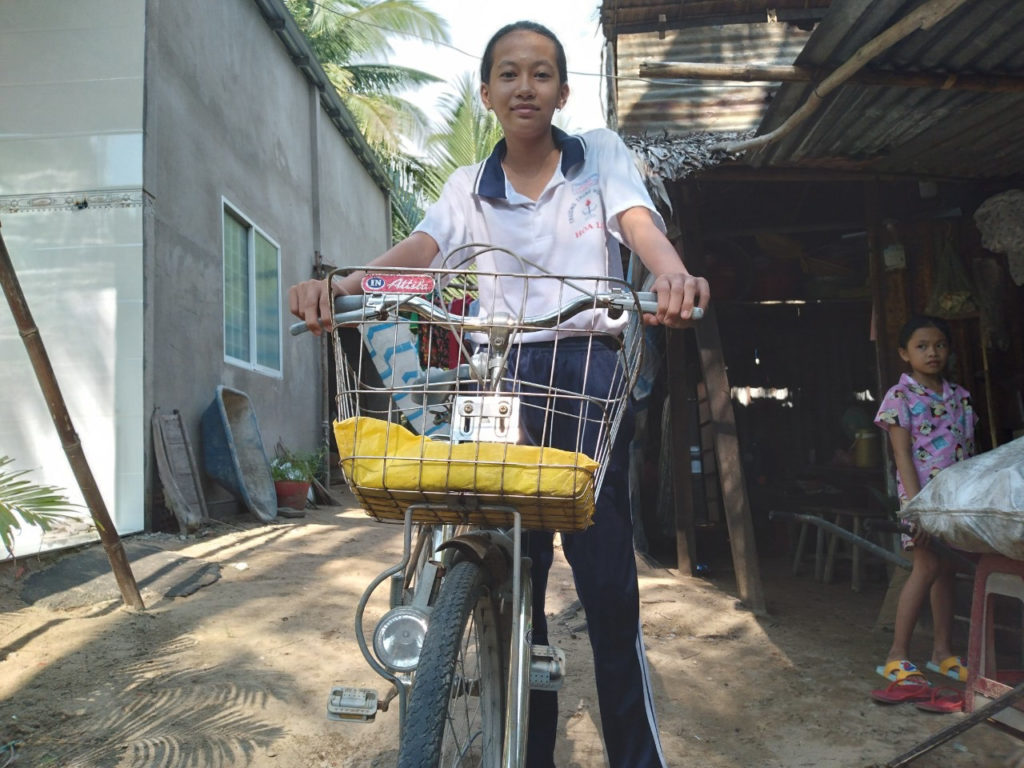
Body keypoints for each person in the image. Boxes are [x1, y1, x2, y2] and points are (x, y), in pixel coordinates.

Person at [290, 20, 708, 767]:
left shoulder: (599, 157)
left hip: (588, 370)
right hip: (503, 378)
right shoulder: (467, 188)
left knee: (606, 584)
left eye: (542, 73)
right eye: (509, 74)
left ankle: (637, 758)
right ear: (487, 92)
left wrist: (669, 271)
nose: (526, 86)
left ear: (562, 91)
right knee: (518, 568)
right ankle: (528, 750)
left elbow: (638, 225)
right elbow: (421, 255)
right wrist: (353, 284)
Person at [873, 315, 977, 694]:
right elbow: (901, 456)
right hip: (921, 500)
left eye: (939, 345)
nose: (932, 352)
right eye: (921, 346)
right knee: (926, 565)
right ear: (904, 353)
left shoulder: (960, 397)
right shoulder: (900, 398)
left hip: (956, 500)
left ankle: (943, 653)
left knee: (946, 568)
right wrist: (916, 508)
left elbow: (968, 452)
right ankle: (895, 656)